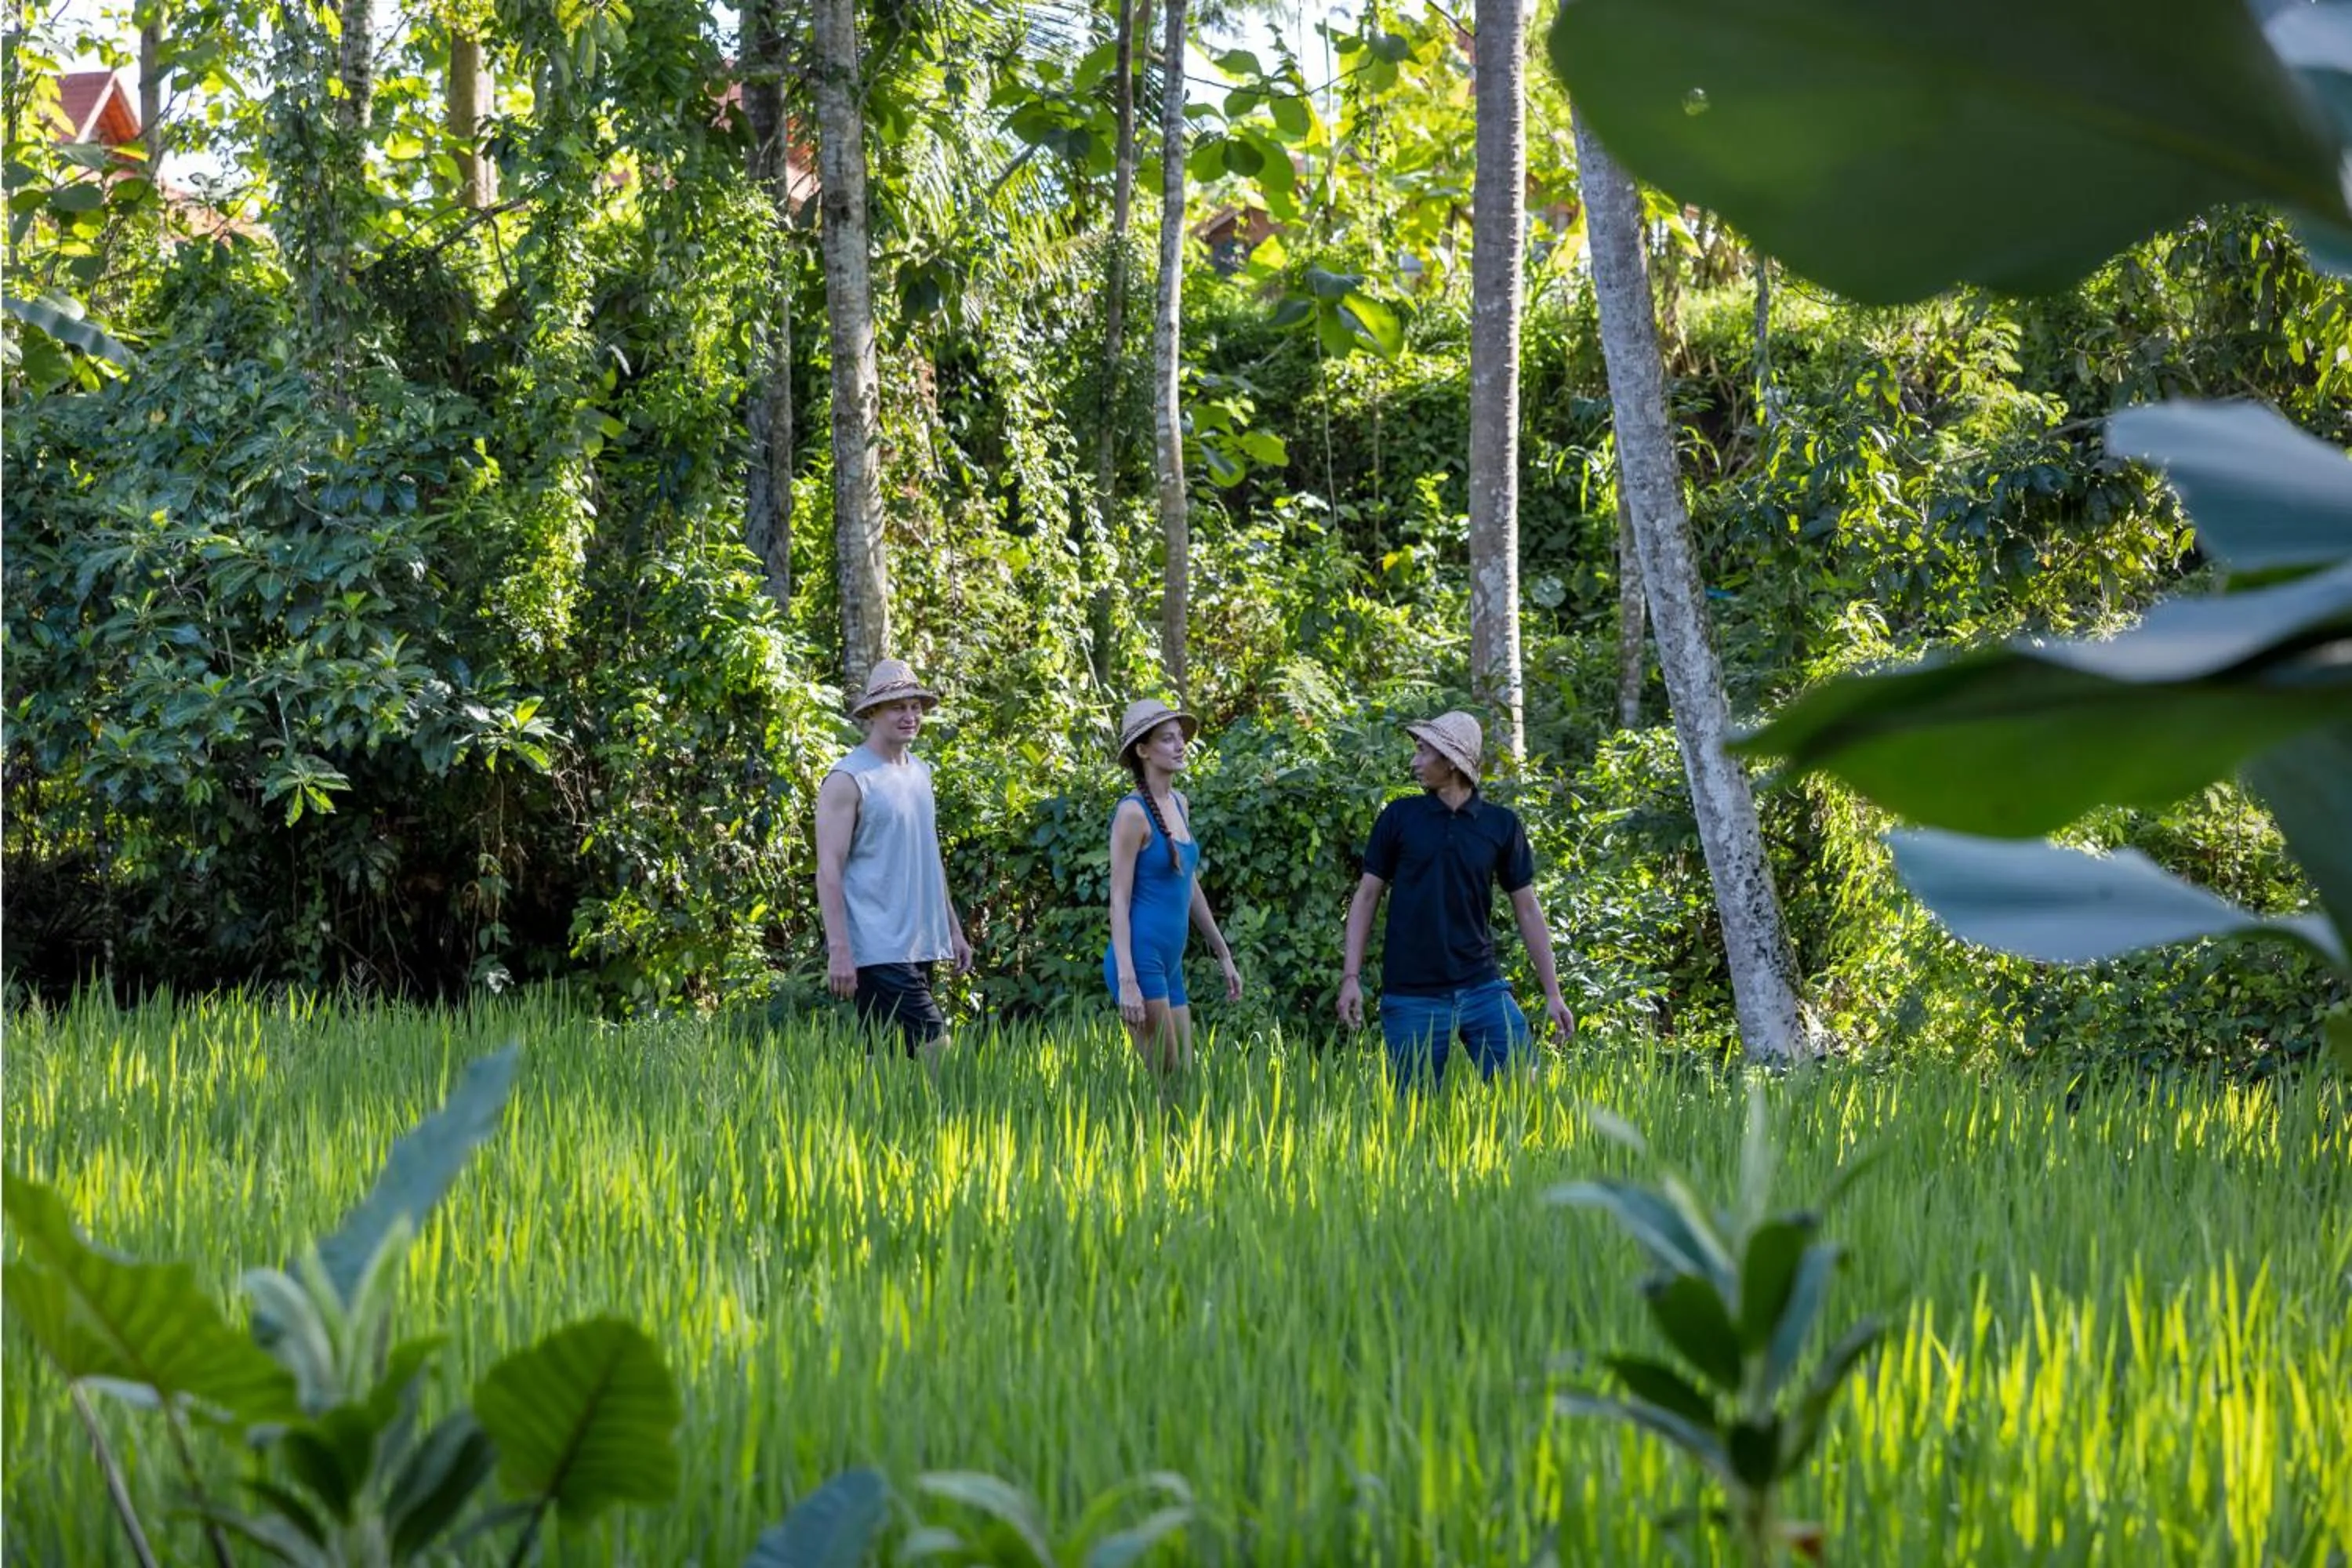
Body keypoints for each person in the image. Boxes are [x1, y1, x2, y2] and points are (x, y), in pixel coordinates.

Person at [1334, 710, 1573, 1086]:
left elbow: (1527, 908)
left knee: (1526, 1093)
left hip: (1482, 987)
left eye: (1422, 751)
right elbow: (1366, 897)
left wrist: (1553, 993)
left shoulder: (1501, 825)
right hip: (1412, 994)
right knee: (1414, 1113)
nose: (1414, 762)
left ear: (1450, 760)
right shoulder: (1399, 817)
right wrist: (1351, 976)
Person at [814, 658, 975, 1062]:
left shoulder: (920, 773)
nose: (909, 716)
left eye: (915, 707)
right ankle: (952, 1120)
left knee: (884, 1057)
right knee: (938, 1050)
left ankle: (871, 1125)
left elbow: (929, 858)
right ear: (872, 713)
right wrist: (839, 950)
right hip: (875, 944)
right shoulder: (848, 779)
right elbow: (829, 870)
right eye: (897, 707)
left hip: (918, 939)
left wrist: (952, 929)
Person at [1102, 698, 1243, 1073]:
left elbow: (1189, 887)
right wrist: (1128, 981)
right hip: (1139, 961)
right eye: (1167, 739)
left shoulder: (1180, 803)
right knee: (1166, 1084)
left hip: (1170, 964)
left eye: (1180, 737)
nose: (1180, 745)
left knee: (1185, 1081)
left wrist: (1223, 954)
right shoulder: (1132, 813)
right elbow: (1118, 899)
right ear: (1143, 750)